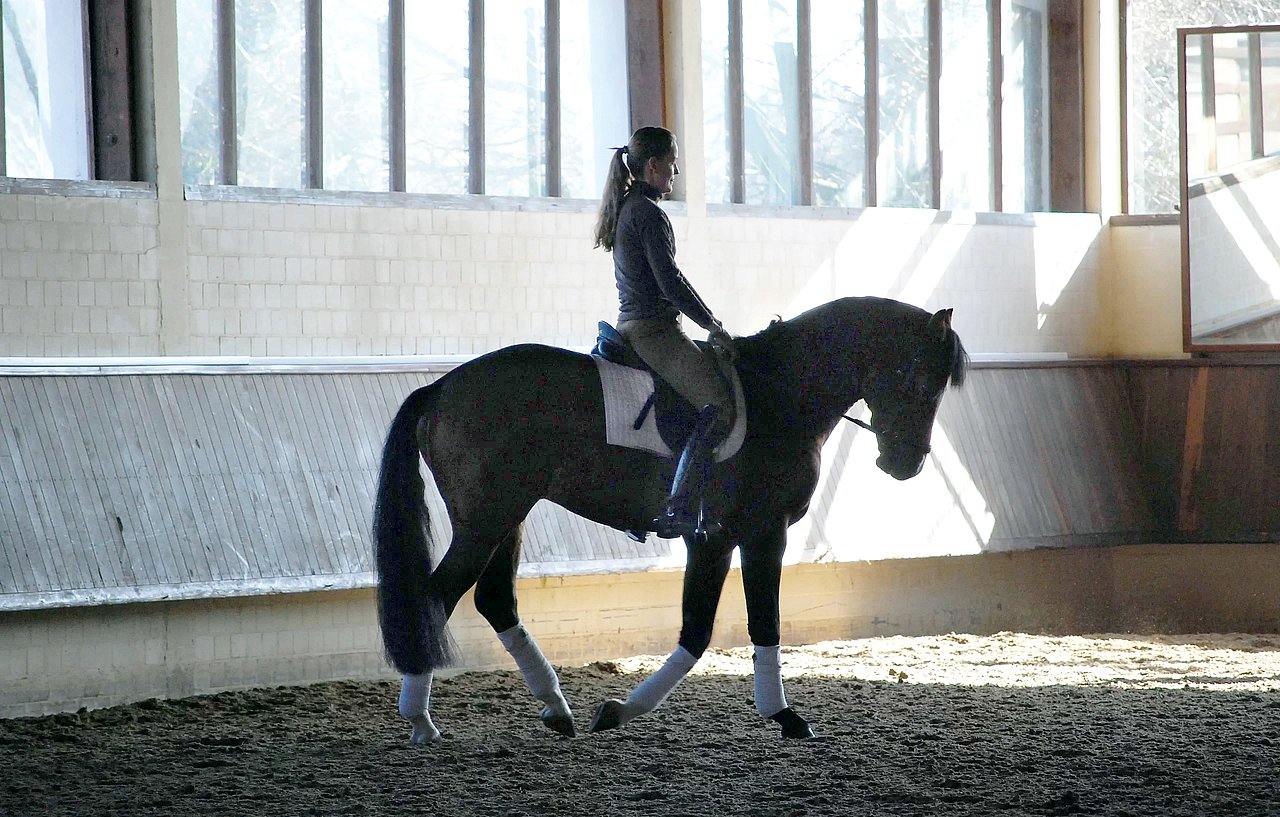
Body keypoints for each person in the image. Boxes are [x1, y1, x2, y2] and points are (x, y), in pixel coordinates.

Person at [593, 126, 738, 540]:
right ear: (653, 166)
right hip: (653, 332)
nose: (676, 172)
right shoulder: (647, 213)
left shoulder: (628, 207)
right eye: (672, 163)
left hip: (637, 326)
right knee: (720, 406)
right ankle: (679, 506)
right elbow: (669, 282)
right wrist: (714, 326)